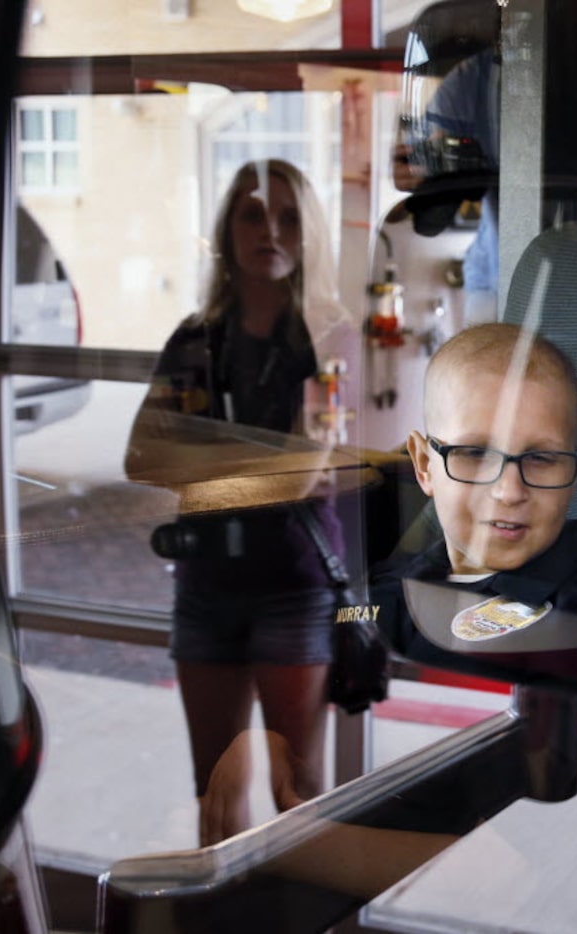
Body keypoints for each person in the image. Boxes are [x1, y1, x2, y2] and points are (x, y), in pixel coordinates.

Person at [124, 158, 356, 846]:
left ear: (309, 232)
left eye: (288, 217)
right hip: (207, 589)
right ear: (227, 231)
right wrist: (273, 460)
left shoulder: (330, 339)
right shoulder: (194, 340)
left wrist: (201, 460)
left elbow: (304, 472)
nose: (271, 231)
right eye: (253, 214)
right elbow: (139, 458)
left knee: (299, 791)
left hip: (293, 586)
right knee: (216, 796)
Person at [370, 322, 577, 668]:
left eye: (541, 458)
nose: (509, 492)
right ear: (423, 465)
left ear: (575, 471)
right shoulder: (383, 587)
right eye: (475, 453)